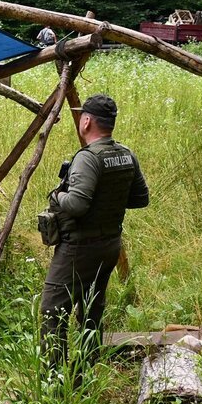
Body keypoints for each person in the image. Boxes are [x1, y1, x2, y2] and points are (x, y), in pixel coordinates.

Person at [41, 93, 149, 372]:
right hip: (109, 244)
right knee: (91, 309)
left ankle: (54, 379)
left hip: (79, 248)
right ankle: (87, 368)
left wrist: (56, 196)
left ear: (87, 121)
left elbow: (75, 205)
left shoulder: (88, 158)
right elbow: (140, 199)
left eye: (81, 116)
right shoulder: (126, 154)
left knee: (52, 311)